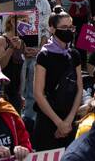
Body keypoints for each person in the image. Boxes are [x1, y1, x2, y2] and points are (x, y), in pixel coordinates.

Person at [32, 10, 81, 150]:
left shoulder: (74, 54)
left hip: (70, 120)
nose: (69, 31)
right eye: (64, 27)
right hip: (48, 120)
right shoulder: (44, 56)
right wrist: (59, 123)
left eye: (71, 27)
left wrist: (69, 120)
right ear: (52, 29)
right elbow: (38, 93)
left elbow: (79, 89)